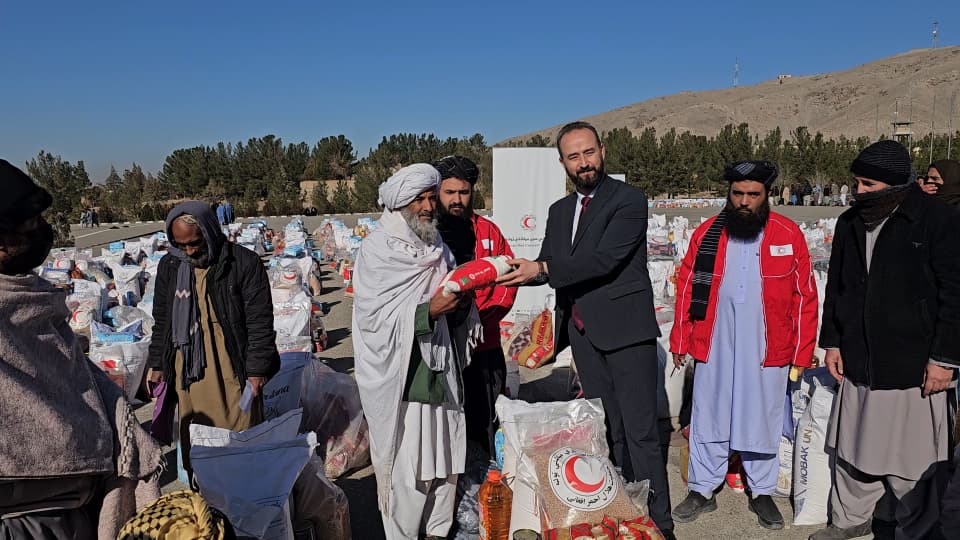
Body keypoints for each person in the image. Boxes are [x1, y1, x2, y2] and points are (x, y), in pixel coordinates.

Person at [498, 121, 675, 538]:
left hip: (626, 333)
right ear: (562, 163)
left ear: (603, 151)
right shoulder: (560, 211)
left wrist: (542, 268)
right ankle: (621, 510)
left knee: (641, 434)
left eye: (589, 152)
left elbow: (602, 260)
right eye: (573, 156)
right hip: (584, 335)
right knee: (607, 428)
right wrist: (520, 272)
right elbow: (548, 262)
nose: (584, 163)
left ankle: (659, 525)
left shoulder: (628, 200)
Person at [0, 159, 162, 539]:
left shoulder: (34, 301)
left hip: (71, 511)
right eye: (29, 225)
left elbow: (72, 379)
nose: (42, 231)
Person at [809, 141, 960, 540]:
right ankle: (850, 521)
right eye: (856, 182)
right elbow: (838, 289)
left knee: (913, 462)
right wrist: (834, 343)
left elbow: (955, 293)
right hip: (859, 360)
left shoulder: (935, 219)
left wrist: (944, 359)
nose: (858, 191)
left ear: (894, 184)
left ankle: (918, 530)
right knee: (853, 451)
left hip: (913, 367)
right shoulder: (850, 223)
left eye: (868, 184)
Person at [669, 160, 818, 529]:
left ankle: (762, 490)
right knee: (709, 412)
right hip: (714, 339)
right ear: (729, 194)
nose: (744, 202)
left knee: (762, 414)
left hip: (768, 343)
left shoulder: (788, 234)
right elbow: (687, 287)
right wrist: (681, 338)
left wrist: (801, 352)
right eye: (738, 194)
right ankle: (703, 489)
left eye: (753, 194)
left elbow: (805, 297)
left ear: (767, 195)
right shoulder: (707, 233)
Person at [352, 164, 481, 540]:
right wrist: (427, 312)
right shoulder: (377, 251)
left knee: (445, 461)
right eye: (418, 199)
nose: (428, 206)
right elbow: (373, 321)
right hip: (405, 378)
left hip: (440, 367)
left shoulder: (436, 247)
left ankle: (438, 531)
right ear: (398, 205)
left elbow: (450, 294)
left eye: (430, 198)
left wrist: (459, 303)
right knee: (410, 469)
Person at [146, 200, 280, 477]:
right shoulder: (170, 266)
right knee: (198, 439)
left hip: (231, 362)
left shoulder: (242, 263)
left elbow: (259, 321)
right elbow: (163, 321)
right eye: (181, 245)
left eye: (195, 243)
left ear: (209, 231)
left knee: (238, 435)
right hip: (188, 368)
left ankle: (245, 497)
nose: (189, 251)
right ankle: (206, 499)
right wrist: (158, 363)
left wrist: (257, 370)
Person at [434, 155, 517, 455]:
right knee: (444, 425)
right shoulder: (428, 235)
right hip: (440, 348)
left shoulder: (489, 232)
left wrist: (483, 320)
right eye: (450, 192)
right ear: (438, 192)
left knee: (485, 422)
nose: (457, 199)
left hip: (485, 346)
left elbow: (509, 280)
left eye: (463, 192)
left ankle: (487, 482)